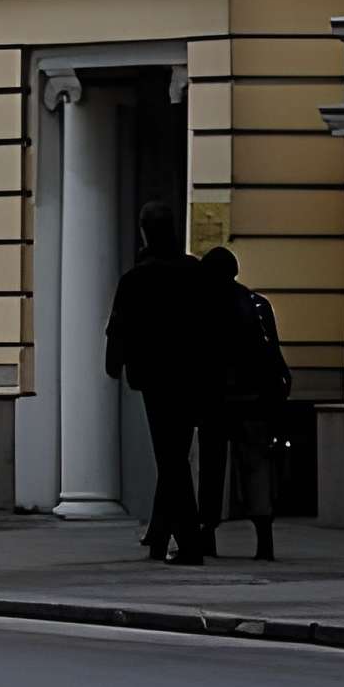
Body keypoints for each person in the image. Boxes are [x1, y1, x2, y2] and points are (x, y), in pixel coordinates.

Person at [105, 201, 225, 564]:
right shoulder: (194, 272)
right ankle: (160, 535)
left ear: (145, 231)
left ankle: (188, 542)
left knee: (170, 458)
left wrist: (115, 366)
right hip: (194, 378)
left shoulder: (136, 278)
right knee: (174, 455)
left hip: (156, 380)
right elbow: (213, 327)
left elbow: (118, 331)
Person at [195, 245, 292, 561]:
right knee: (257, 469)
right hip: (255, 401)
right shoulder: (257, 305)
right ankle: (264, 540)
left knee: (212, 469)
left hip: (214, 401)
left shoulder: (201, 307)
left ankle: (207, 535)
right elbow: (274, 355)